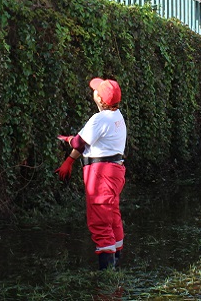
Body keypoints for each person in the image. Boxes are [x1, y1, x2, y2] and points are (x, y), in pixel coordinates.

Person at [56, 78, 126, 270]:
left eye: (96, 91)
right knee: (112, 216)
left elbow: (79, 143)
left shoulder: (100, 118)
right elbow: (88, 140)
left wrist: (69, 153)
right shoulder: (117, 116)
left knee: (100, 220)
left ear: (101, 100)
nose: (93, 92)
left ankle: (107, 272)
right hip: (115, 171)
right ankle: (117, 260)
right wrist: (71, 147)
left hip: (100, 173)